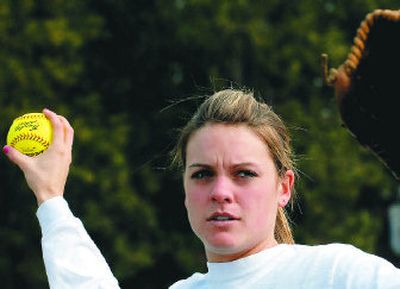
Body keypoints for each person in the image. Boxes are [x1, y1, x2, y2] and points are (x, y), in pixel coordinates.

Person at [3, 89, 400, 288]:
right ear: (185, 189)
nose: (221, 192)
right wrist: (50, 197)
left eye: (244, 174)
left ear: (284, 187)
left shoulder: (338, 275)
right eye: (202, 174)